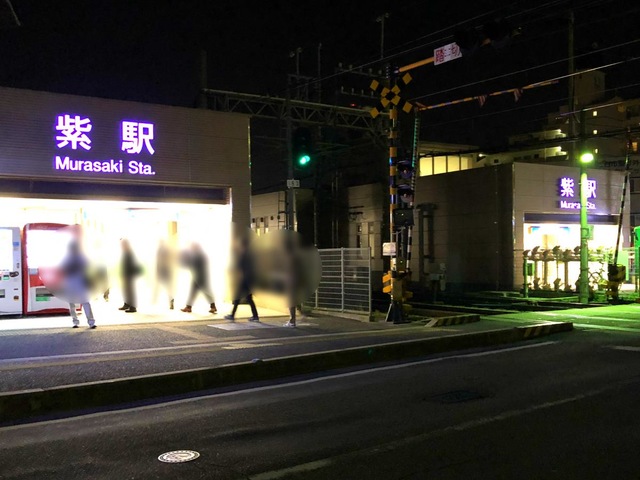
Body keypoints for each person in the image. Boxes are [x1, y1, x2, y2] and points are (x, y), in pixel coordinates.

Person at [61, 240, 96, 329]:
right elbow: (63, 268)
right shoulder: (67, 258)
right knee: (71, 303)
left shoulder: (81, 256)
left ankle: (91, 322)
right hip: (70, 282)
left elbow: (88, 265)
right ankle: (75, 321)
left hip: (80, 281)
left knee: (85, 301)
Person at [224, 233, 259, 322]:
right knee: (248, 298)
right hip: (249, 280)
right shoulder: (250, 254)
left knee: (239, 297)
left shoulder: (245, 255)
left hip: (245, 280)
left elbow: (240, 266)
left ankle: (232, 315)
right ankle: (255, 316)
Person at [181, 242, 217, 314]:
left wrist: (186, 260)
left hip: (200, 277)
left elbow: (192, 265)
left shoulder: (199, 256)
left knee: (203, 292)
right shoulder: (199, 255)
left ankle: (189, 307)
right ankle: (189, 307)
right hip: (199, 277)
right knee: (196, 292)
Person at [119, 238, 140, 313]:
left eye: (123, 244)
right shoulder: (125, 252)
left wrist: (127, 274)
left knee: (130, 291)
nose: (121, 246)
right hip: (126, 274)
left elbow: (131, 265)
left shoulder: (130, 253)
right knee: (126, 291)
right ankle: (127, 304)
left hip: (129, 275)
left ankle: (133, 307)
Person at [155, 239, 175, 310]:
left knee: (165, 287)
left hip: (164, 271)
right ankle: (170, 301)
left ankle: (170, 301)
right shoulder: (163, 250)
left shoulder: (163, 250)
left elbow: (160, 261)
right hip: (165, 271)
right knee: (167, 288)